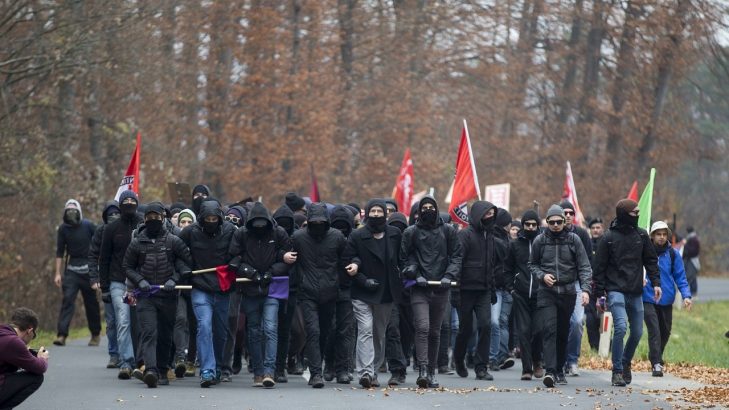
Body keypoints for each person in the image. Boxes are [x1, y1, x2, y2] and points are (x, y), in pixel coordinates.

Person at [123, 202, 192, 388]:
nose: (153, 220)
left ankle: (162, 369)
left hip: (168, 296)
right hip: (146, 296)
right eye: (150, 217)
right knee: (149, 332)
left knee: (165, 334)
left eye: (157, 217)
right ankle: (151, 370)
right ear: (145, 219)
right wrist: (139, 281)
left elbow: (186, 263)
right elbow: (127, 266)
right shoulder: (137, 242)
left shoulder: (173, 241)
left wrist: (174, 280)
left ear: (163, 219)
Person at [594, 199, 660, 387]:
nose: (637, 215)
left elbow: (651, 260)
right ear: (623, 214)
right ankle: (617, 371)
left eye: (639, 212)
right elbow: (599, 268)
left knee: (638, 332)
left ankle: (625, 361)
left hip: (636, 291)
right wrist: (600, 294)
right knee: (621, 327)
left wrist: (656, 283)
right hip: (615, 291)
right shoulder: (608, 237)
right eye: (634, 213)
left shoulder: (642, 235)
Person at [228, 202, 293, 388]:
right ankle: (257, 371)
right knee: (254, 331)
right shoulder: (241, 234)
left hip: (271, 287)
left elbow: (289, 258)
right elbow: (233, 258)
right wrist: (249, 272)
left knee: (270, 329)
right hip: (249, 289)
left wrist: (271, 272)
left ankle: (269, 371)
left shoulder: (278, 233)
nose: (259, 226)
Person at [401, 196, 462, 388]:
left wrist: (448, 276)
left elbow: (456, 256)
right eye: (424, 208)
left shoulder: (448, 231)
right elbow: (403, 258)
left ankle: (432, 371)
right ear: (419, 211)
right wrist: (414, 274)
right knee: (422, 327)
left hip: (441, 287)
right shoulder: (411, 232)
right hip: (420, 288)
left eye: (431, 207)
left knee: (435, 332)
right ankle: (422, 369)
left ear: (436, 209)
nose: (428, 210)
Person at [528, 204, 591, 388]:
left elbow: (584, 266)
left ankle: (560, 369)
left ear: (564, 221)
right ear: (547, 222)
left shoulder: (574, 240)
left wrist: (586, 290)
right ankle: (550, 371)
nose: (555, 225)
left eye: (559, 221)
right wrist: (542, 276)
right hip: (546, 292)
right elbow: (532, 264)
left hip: (568, 292)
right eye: (552, 222)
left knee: (563, 331)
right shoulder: (540, 240)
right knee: (549, 330)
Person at [343, 199, 404, 388]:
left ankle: (374, 370)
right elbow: (348, 260)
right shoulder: (357, 235)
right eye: (373, 211)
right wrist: (361, 277)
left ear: (385, 214)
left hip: (386, 291)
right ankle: (366, 372)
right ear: (366, 213)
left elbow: (401, 259)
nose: (376, 214)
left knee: (379, 333)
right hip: (362, 291)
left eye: (380, 211)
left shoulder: (395, 234)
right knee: (366, 329)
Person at [179, 199, 236, 388]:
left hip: (222, 287)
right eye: (208, 218)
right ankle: (207, 370)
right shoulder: (190, 232)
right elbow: (176, 252)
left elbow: (241, 250)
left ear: (219, 218)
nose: (211, 221)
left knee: (220, 331)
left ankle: (218, 366)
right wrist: (183, 268)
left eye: (214, 218)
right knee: (204, 326)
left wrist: (235, 263)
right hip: (200, 287)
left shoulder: (230, 231)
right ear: (202, 219)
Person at [291, 203, 347, 388]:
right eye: (314, 222)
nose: (317, 225)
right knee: (313, 331)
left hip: (330, 292)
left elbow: (345, 259)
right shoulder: (298, 237)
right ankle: (316, 373)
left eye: (321, 222)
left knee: (324, 332)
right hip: (307, 292)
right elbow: (290, 259)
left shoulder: (337, 237)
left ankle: (318, 363)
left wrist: (342, 279)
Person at [453, 201, 501, 381]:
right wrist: (455, 292)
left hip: (483, 290)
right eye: (486, 214)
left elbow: (491, 266)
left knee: (485, 325)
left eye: (492, 214)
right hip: (465, 290)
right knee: (466, 329)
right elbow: (457, 263)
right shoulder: (464, 235)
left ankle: (481, 367)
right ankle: (459, 358)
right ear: (477, 215)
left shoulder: (491, 236)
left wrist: (493, 289)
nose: (489, 217)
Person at [99, 190, 143, 379]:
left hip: (142, 283)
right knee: (123, 322)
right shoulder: (111, 229)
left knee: (140, 323)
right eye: (125, 200)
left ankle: (142, 361)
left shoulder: (144, 224)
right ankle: (126, 362)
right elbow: (104, 258)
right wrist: (105, 287)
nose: (129, 203)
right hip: (118, 282)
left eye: (132, 200)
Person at [643, 221, 692, 377]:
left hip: (666, 299)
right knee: (654, 330)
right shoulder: (643, 252)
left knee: (665, 332)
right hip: (648, 297)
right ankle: (657, 363)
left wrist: (686, 296)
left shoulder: (673, 254)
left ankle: (655, 355)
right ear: (652, 236)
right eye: (658, 234)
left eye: (664, 234)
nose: (662, 237)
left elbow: (680, 276)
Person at [53, 199, 100, 347]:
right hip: (72, 271)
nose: (72, 213)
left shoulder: (89, 226)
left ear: (79, 211)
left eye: (74, 210)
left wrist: (98, 268)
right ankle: (61, 335)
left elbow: (100, 242)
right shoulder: (63, 229)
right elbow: (60, 252)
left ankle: (95, 334)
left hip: (88, 270)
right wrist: (57, 273)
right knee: (67, 300)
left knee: (91, 303)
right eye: (69, 211)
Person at [505, 210, 544, 381]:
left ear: (538, 226)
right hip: (520, 293)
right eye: (527, 224)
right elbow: (507, 268)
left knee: (538, 330)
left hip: (540, 293)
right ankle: (526, 369)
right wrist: (511, 288)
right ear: (523, 225)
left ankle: (537, 361)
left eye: (533, 225)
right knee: (523, 331)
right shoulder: (514, 245)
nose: (530, 227)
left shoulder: (543, 243)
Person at [324, 205, 357, 384]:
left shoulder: (355, 239)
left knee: (345, 330)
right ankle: (329, 365)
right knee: (330, 329)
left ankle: (343, 368)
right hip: (327, 289)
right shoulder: (324, 238)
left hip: (347, 289)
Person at [559, 201, 592, 377]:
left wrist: (587, 288)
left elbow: (587, 264)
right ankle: (559, 360)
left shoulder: (581, 235)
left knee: (577, 322)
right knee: (559, 323)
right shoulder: (550, 234)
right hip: (558, 285)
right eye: (564, 212)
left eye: (571, 212)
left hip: (578, 284)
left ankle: (572, 360)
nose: (568, 215)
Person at [89, 201, 121, 368]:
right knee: (111, 321)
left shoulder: (127, 228)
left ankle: (126, 354)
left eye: (117, 213)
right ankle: (114, 354)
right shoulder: (100, 231)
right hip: (106, 281)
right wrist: (94, 279)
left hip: (126, 279)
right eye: (111, 214)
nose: (114, 217)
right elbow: (93, 255)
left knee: (126, 320)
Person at [0, 308, 49, 409]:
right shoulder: (13, 341)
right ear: (29, 331)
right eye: (33, 335)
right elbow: (40, 368)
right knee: (36, 377)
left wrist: (25, 352)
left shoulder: (3, 332)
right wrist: (42, 358)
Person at [584, 217, 604, 351]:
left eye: (598, 228)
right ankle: (594, 347)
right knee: (590, 320)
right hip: (590, 288)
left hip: (604, 289)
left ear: (602, 229)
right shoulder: (587, 245)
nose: (595, 230)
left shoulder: (607, 243)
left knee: (604, 317)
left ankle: (605, 346)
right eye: (593, 228)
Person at [683, 226, 700, 296]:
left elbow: (693, 251)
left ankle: (692, 292)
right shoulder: (692, 238)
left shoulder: (693, 239)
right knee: (693, 277)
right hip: (690, 260)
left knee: (690, 276)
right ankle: (693, 291)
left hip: (692, 260)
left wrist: (685, 246)